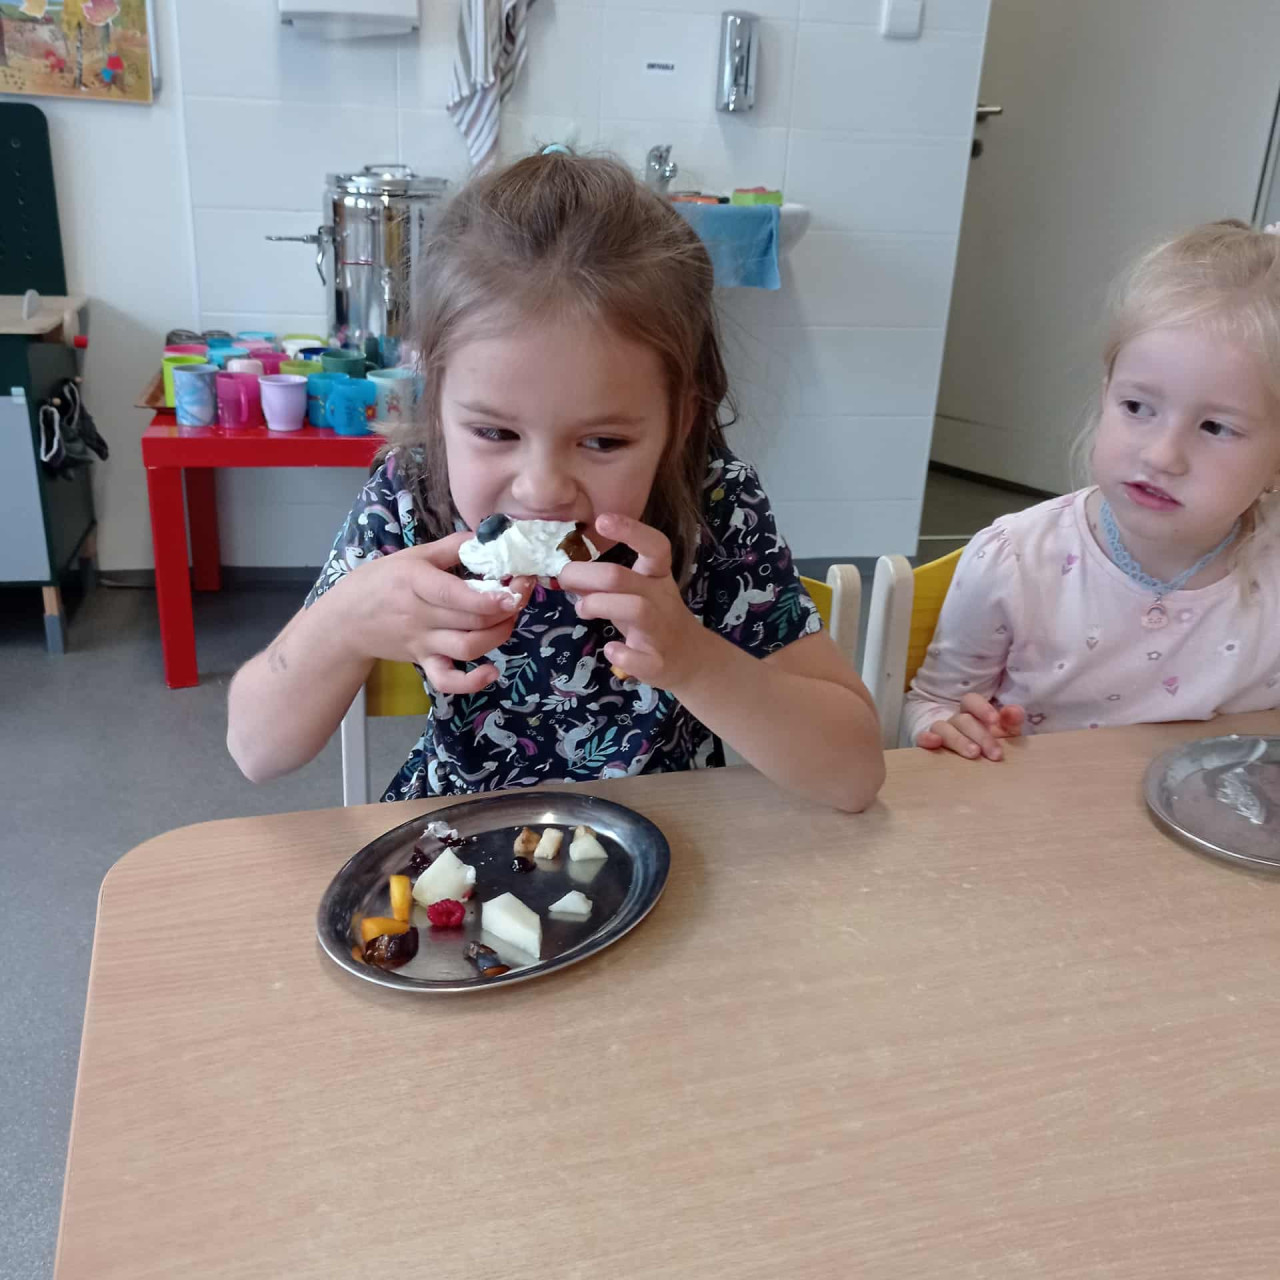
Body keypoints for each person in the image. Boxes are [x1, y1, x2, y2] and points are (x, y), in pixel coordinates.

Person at [227, 149, 884, 810]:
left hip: (669, 833)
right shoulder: (408, 500)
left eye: (603, 442)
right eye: (494, 433)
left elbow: (853, 774)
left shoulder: (714, 507)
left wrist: (693, 657)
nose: (541, 490)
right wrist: (343, 623)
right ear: (437, 401)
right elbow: (255, 750)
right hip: (458, 833)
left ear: (680, 422)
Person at [905, 220, 1280, 760]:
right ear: (1106, 395)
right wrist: (951, 728)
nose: (1162, 456)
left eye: (1216, 427)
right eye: (1137, 407)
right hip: (1037, 807)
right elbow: (932, 703)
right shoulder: (1016, 561)